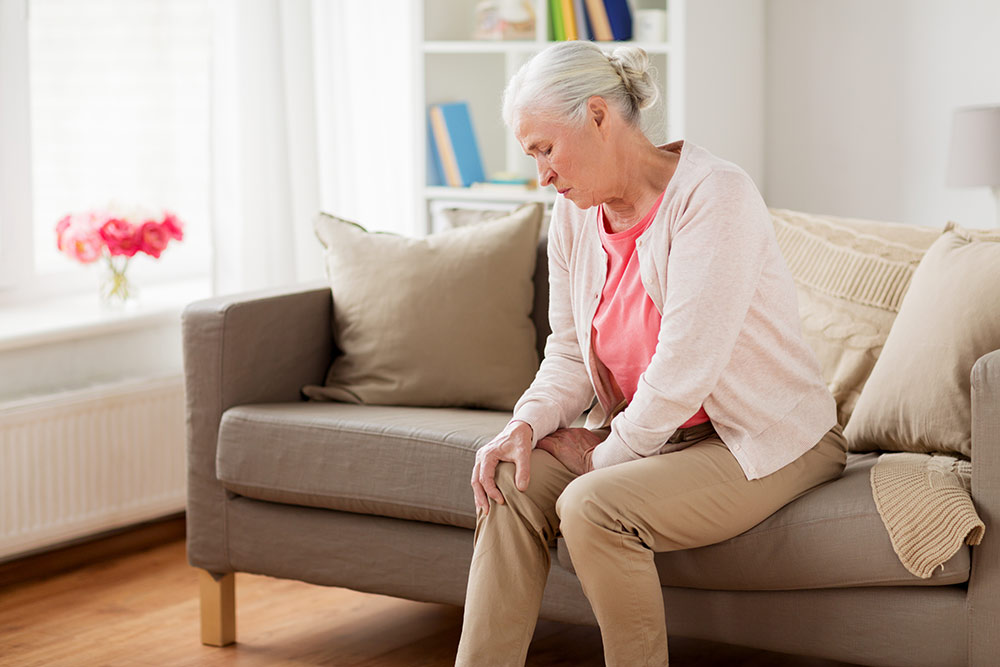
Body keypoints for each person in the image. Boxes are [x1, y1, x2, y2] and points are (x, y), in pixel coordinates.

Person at [456, 41, 847, 667]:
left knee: (593, 505)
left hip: (760, 439)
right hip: (660, 439)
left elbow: (683, 369)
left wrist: (604, 455)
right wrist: (524, 426)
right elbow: (568, 352)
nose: (542, 177)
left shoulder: (713, 196)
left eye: (545, 149)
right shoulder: (573, 214)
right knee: (509, 477)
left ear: (599, 116)